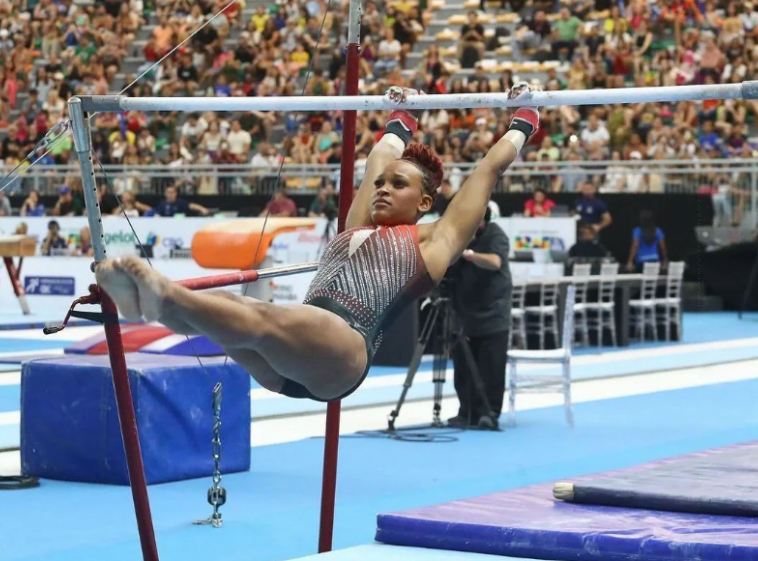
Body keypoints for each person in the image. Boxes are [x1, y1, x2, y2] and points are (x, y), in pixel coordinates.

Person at [94, 84, 541, 402]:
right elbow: (377, 161)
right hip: (289, 364)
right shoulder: (356, 224)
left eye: (398, 185)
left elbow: (487, 171)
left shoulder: (435, 240)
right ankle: (153, 305)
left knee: (256, 313)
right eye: (381, 184)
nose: (383, 189)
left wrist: (525, 118)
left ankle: (163, 294)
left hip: (343, 351)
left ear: (425, 201)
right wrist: (402, 118)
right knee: (232, 317)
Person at [448, 207, 511, 430]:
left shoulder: (496, 235)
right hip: (464, 312)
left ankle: (489, 411)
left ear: (481, 223)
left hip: (492, 313)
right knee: (463, 368)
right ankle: (467, 411)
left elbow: (495, 262)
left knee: (491, 368)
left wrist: (468, 254)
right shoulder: (459, 236)